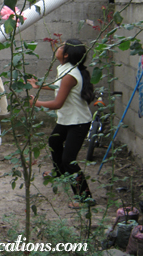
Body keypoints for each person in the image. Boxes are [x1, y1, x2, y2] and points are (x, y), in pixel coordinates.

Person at [29, 39, 95, 209]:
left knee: (69, 160)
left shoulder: (69, 75)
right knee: (54, 142)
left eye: (61, 47)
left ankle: (86, 198)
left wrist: (36, 103)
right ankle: (59, 174)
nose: (57, 47)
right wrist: (39, 86)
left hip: (78, 122)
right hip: (68, 119)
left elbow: (58, 103)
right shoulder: (66, 69)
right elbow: (59, 86)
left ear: (66, 55)